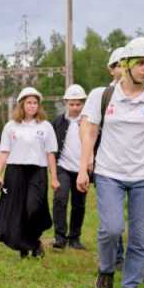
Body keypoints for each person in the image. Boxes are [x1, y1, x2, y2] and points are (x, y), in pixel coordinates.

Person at [77, 37, 144, 288]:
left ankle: (130, 287)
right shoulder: (103, 96)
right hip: (109, 172)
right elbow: (89, 132)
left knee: (142, 236)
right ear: (126, 65)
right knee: (111, 229)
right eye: (141, 63)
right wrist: (84, 166)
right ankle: (106, 271)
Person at [0, 87, 59, 258]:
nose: (32, 106)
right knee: (18, 211)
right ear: (22, 105)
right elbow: (4, 152)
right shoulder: (10, 126)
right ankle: (25, 246)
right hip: (15, 171)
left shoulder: (45, 126)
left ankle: (34, 240)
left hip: (37, 171)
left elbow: (50, 153)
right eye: (29, 103)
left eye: (35, 103)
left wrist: (55, 178)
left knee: (34, 208)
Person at [52, 84, 89, 250]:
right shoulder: (58, 122)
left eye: (78, 104)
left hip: (82, 169)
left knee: (79, 204)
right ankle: (60, 237)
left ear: (83, 103)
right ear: (66, 103)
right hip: (63, 167)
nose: (75, 107)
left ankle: (75, 237)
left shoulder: (90, 122)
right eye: (71, 104)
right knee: (60, 199)